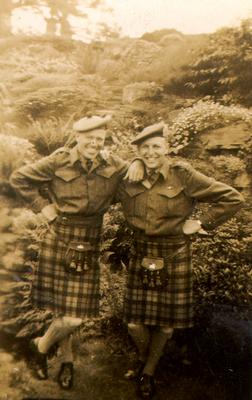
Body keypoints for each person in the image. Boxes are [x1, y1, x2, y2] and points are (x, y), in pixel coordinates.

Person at [10, 115, 144, 390]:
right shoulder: (59, 160)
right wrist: (42, 207)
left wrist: (139, 161)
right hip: (60, 235)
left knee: (73, 313)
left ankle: (40, 346)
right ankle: (66, 359)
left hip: (90, 238)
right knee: (66, 310)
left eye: (100, 139)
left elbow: (133, 172)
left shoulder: (112, 163)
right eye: (90, 139)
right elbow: (19, 178)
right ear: (78, 137)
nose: (95, 144)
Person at [117, 122, 244, 399]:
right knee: (134, 323)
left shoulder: (182, 174)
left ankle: (147, 370)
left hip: (175, 252)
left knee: (165, 324)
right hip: (142, 250)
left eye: (156, 147)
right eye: (145, 148)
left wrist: (200, 223)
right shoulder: (127, 176)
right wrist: (135, 162)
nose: (151, 152)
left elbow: (232, 198)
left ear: (167, 149)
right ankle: (146, 357)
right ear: (138, 151)